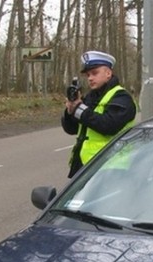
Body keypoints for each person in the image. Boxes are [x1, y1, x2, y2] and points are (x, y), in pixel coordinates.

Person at [61, 50, 137, 178]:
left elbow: (108, 126)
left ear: (108, 73)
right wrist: (70, 111)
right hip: (86, 167)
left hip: (112, 167)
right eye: (88, 75)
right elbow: (72, 129)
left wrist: (79, 108)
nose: (90, 78)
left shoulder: (122, 97)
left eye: (95, 73)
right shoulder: (91, 97)